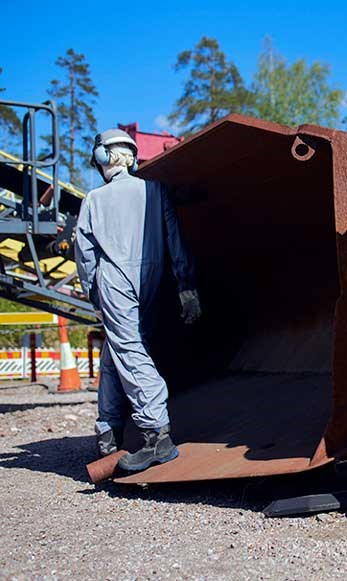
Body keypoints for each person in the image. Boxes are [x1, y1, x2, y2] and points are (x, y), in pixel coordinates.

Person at [75, 128, 201, 472]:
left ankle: (155, 433)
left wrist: (93, 292)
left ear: (103, 157)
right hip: (153, 277)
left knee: (128, 349)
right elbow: (175, 239)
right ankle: (108, 432)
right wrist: (186, 286)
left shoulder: (94, 201)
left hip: (114, 277)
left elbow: (86, 256)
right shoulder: (155, 190)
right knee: (118, 348)